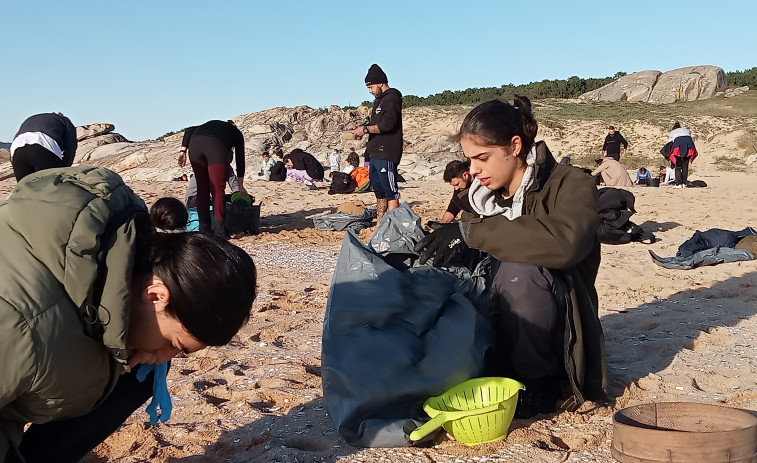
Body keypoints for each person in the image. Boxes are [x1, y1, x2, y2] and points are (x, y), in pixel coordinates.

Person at [0, 166, 257, 462]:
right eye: (174, 345)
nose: (164, 357)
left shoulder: (123, 247)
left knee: (139, 377)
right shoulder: (19, 322)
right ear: (156, 295)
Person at [414, 97, 606, 418]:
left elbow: (565, 242)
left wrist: (470, 234)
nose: (473, 170)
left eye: (482, 158)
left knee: (520, 271)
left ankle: (537, 384)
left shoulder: (571, 184)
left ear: (514, 146)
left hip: (559, 336)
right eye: (469, 160)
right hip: (502, 322)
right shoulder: (480, 200)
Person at [345, 64, 403, 222]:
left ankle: (392, 223)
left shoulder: (392, 98)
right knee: (379, 191)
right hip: (374, 151)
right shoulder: (378, 102)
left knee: (390, 191)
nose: (370, 91)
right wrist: (359, 128)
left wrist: (365, 129)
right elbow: (373, 125)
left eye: (371, 87)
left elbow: (388, 124)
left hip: (387, 152)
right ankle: (380, 220)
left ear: (381, 83)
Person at [181, 120, 247, 238]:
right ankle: (220, 231)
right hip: (214, 147)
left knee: (202, 189)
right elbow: (240, 161)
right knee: (217, 190)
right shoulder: (236, 134)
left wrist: (183, 151)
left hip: (195, 146)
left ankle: (203, 229)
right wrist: (240, 185)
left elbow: (189, 130)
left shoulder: (209, 125)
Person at [10, 112, 78, 181]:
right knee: (51, 187)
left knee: (24, 188)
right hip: (43, 145)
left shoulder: (32, 119)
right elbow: (70, 147)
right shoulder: (65, 120)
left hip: (17, 148)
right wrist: (64, 168)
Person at [667, 122, 698, 188]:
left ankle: (678, 183)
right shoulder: (686, 130)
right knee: (685, 165)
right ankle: (684, 183)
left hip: (678, 145)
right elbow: (689, 137)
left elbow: (669, 143)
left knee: (678, 166)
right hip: (689, 145)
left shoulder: (673, 132)